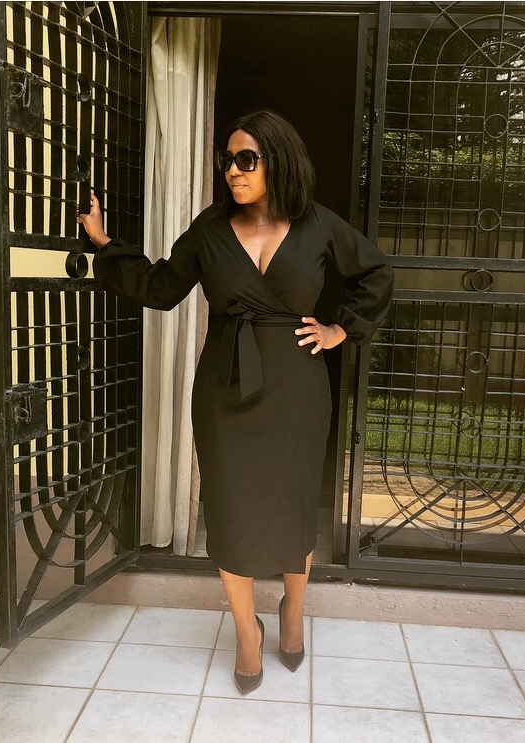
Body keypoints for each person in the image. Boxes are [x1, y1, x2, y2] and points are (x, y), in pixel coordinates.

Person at [78, 110, 393, 694]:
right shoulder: (210, 228)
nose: (232, 171)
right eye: (227, 160)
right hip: (225, 390)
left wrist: (339, 330)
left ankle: (293, 611)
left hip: (297, 390)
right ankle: (246, 629)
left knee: (295, 501)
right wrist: (104, 244)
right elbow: (160, 287)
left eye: (246, 159)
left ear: (278, 161)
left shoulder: (317, 224)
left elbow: (375, 273)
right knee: (230, 506)